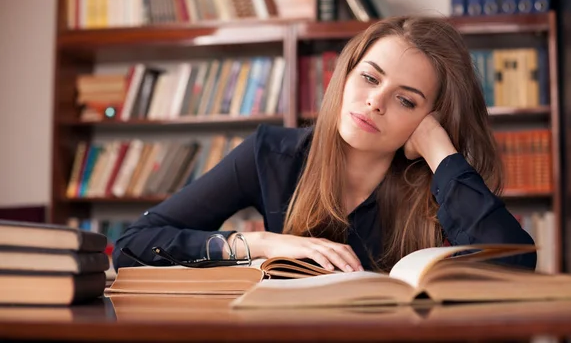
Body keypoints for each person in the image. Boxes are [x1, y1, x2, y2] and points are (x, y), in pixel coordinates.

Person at [113, 16, 536, 273]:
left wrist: (439, 149)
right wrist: (260, 244)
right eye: (369, 78)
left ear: (430, 118)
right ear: (344, 75)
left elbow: (513, 266)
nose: (375, 101)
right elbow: (134, 246)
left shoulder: (438, 180)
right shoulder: (273, 155)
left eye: (406, 100)